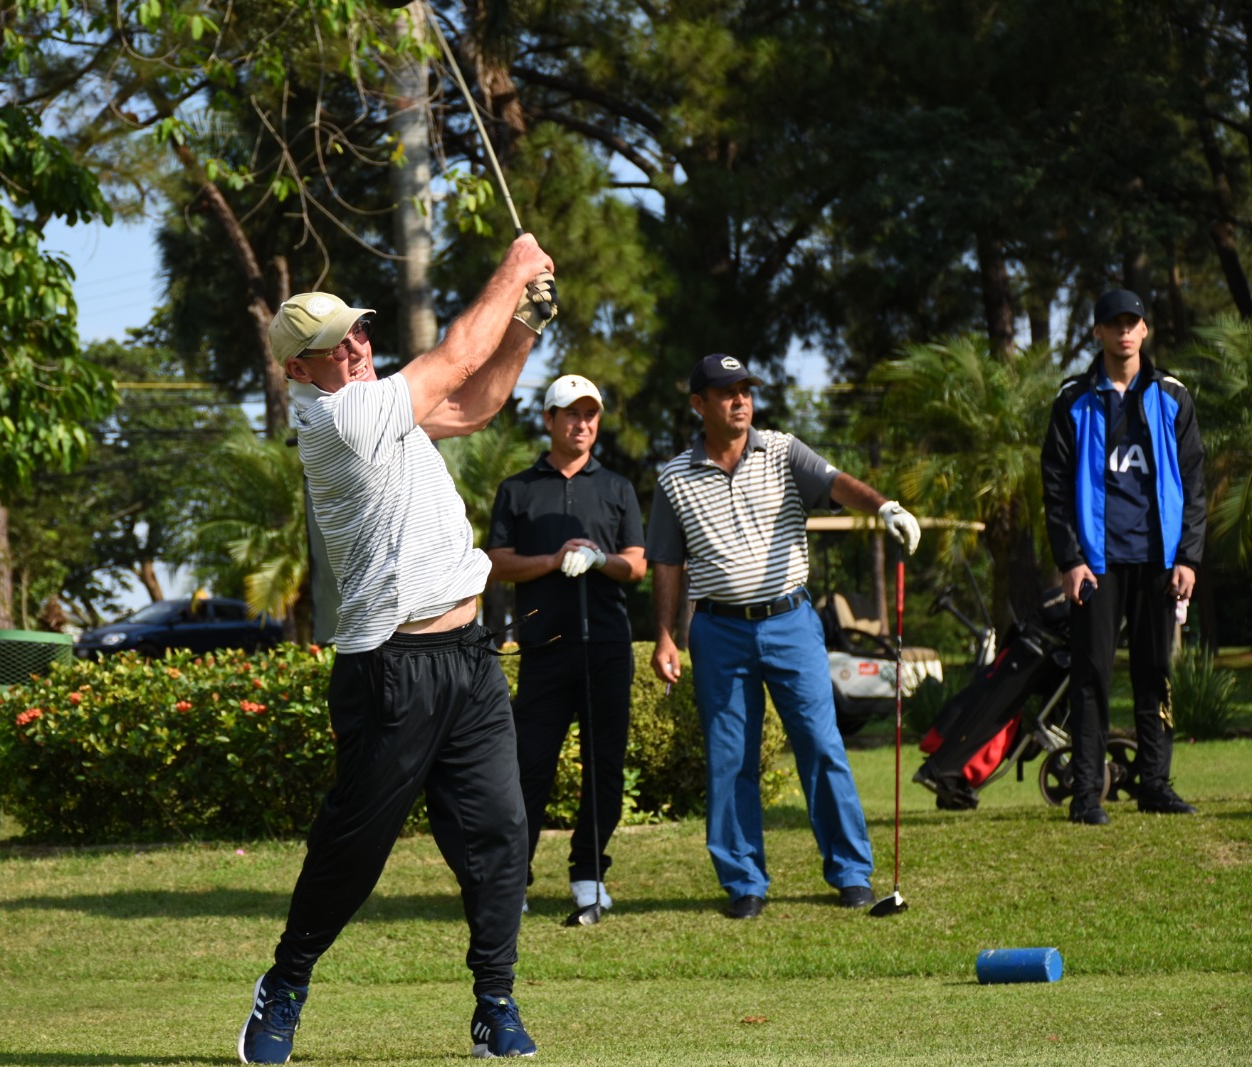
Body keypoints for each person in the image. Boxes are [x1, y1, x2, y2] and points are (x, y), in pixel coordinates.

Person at [236, 234, 557, 1065]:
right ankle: (286, 983)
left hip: (471, 659)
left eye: (355, 331)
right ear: (297, 371)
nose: (352, 346)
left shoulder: (379, 402)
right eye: (329, 346)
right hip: (392, 672)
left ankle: (495, 1000)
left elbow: (475, 401)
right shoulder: (340, 418)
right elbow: (454, 356)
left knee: (500, 835)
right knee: (353, 852)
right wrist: (515, 268)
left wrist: (525, 325)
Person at [646, 354, 922, 920]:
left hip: (791, 620)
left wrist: (884, 506)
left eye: (745, 389)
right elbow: (667, 564)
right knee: (730, 759)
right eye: (726, 392)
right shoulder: (673, 477)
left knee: (821, 745)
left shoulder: (781, 450)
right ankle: (744, 881)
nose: (740, 400)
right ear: (699, 404)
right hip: (718, 629)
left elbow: (836, 483)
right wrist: (665, 637)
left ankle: (850, 871)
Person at [1041, 289, 1207, 825]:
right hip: (1096, 565)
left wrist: (1189, 557)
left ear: (1145, 330)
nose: (1124, 332)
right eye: (1113, 324)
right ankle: (1086, 794)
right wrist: (1070, 560)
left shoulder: (1173, 397)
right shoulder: (1072, 400)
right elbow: (1056, 488)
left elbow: (1195, 485)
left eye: (1132, 322)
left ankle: (1154, 784)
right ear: (1097, 333)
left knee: (1154, 672)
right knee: (1091, 676)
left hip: (1159, 561)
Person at [486, 374, 647, 915]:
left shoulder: (618, 487)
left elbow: (638, 564)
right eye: (571, 414)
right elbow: (496, 562)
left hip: (606, 647)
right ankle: (516, 876)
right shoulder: (518, 489)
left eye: (590, 415)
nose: (582, 424)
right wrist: (553, 560)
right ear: (549, 420)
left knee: (604, 766)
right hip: (544, 646)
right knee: (529, 766)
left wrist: (603, 560)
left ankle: (589, 875)